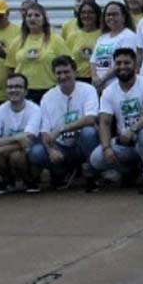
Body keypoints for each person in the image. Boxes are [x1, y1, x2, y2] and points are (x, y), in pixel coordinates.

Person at [88, 48, 143, 194]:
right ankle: (130, 171)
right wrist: (107, 147)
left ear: (135, 65)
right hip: (126, 143)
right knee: (97, 158)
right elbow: (105, 122)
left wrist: (133, 129)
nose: (122, 66)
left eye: (127, 63)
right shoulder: (109, 91)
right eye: (118, 63)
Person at [28, 56, 99, 190]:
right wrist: (50, 151)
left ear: (75, 72)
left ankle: (92, 175)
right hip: (60, 146)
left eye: (67, 72)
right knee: (36, 152)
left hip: (81, 144)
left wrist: (61, 129)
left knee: (89, 132)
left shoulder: (88, 89)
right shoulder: (47, 97)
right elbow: (44, 130)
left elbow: (91, 118)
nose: (63, 76)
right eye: (59, 73)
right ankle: (61, 171)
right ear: (54, 75)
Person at [0, 73, 42, 195]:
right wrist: (17, 137)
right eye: (10, 87)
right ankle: (7, 180)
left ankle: (29, 180)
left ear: (26, 91)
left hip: (29, 152)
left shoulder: (35, 110)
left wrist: (1, 146)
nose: (13, 90)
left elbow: (29, 140)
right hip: (9, 150)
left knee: (16, 156)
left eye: (18, 87)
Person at [5, 2, 69, 103]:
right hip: (24, 92)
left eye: (37, 15)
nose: (32, 18)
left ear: (44, 19)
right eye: (29, 16)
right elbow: (10, 68)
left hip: (50, 90)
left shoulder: (56, 39)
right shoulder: (17, 41)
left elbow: (67, 64)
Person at [91, 1, 140, 92]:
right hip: (99, 87)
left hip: (117, 87)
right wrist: (95, 79)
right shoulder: (102, 38)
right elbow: (93, 62)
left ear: (124, 17)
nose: (111, 17)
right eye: (108, 15)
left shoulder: (128, 36)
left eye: (115, 14)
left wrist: (102, 79)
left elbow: (123, 62)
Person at [65, 0, 101, 84]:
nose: (86, 15)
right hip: (77, 80)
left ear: (97, 15)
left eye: (91, 12)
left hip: (98, 80)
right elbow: (67, 60)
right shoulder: (72, 37)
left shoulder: (104, 36)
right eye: (83, 12)